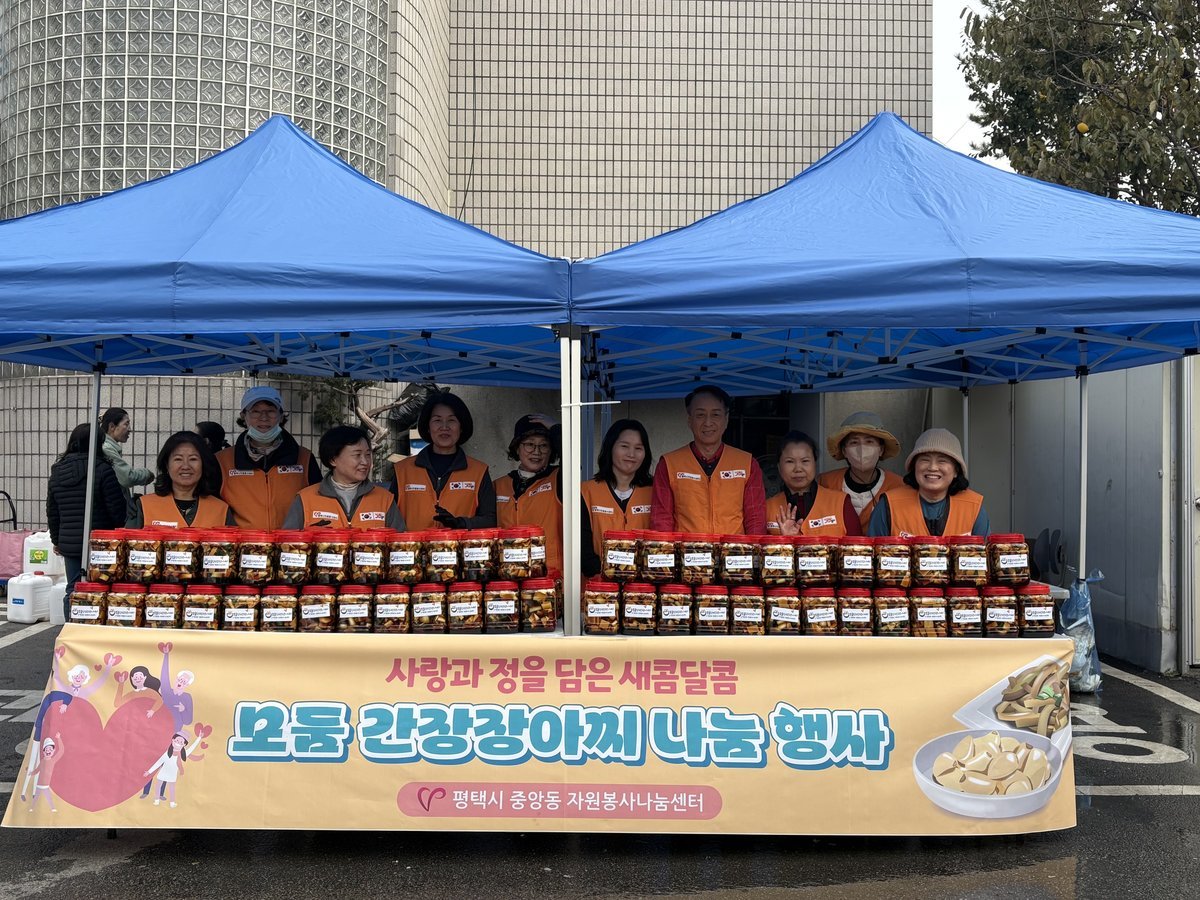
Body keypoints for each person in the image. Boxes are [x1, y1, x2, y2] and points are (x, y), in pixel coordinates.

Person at [650, 384, 767, 534]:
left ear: (726, 420)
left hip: (733, 548)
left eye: (716, 415)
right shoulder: (669, 464)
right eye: (700, 415)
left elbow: (756, 521)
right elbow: (661, 521)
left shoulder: (747, 464)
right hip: (686, 548)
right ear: (689, 420)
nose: (708, 422)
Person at [216, 386, 320, 529]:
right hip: (242, 542)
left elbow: (318, 504)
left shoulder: (305, 458)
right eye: (255, 411)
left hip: (292, 542)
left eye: (271, 411)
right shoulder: (222, 460)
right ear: (243, 416)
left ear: (281, 416)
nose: (264, 418)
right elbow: (214, 508)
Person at [390, 391, 496, 530]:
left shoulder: (478, 471)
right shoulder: (403, 470)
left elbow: (491, 519)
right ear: (428, 427)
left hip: (461, 544)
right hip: (413, 544)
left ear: (461, 427)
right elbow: (389, 519)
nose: (444, 427)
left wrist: (462, 523)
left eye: (451, 420)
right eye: (437, 420)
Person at [46, 423, 127, 599]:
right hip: (101, 542)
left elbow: (53, 512)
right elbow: (117, 511)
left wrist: (57, 540)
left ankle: (71, 618)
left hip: (70, 543)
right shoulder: (103, 469)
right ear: (98, 444)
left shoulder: (57, 471)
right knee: (101, 589)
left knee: (74, 589)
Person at [868, 428, 990, 537]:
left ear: (956, 471)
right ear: (914, 467)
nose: (932, 467)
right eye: (925, 460)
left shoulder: (973, 507)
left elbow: (986, 553)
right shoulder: (888, 505)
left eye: (942, 461)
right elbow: (872, 553)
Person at [283, 425, 405, 530]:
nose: (365, 462)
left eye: (368, 455)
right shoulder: (306, 499)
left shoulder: (385, 499)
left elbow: (401, 543)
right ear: (333, 460)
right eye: (357, 455)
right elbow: (288, 544)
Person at [581, 419, 654, 577]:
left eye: (638, 448)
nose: (631, 454)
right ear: (610, 447)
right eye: (624, 446)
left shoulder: (655, 492)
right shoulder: (586, 491)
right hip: (598, 584)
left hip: (642, 586)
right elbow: (582, 549)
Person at [494, 414, 564, 574]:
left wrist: (556, 429)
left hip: (549, 575)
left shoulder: (559, 478)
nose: (536, 452)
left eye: (544, 446)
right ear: (517, 448)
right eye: (529, 444)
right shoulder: (497, 485)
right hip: (508, 574)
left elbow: (572, 457)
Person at [126, 431, 233, 528]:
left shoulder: (221, 510)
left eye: (193, 459)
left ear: (203, 464)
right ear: (166, 465)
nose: (185, 466)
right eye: (178, 459)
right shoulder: (144, 506)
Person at [818, 411, 905, 529]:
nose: (862, 449)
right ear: (844, 451)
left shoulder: (898, 485)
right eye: (854, 442)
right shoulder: (826, 483)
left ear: (881, 450)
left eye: (869, 442)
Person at [766, 431, 861, 537]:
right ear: (779, 467)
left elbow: (858, 546)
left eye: (805, 461)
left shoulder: (840, 502)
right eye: (790, 461)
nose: (798, 469)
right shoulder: (767, 508)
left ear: (815, 464)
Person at [99, 407, 155, 501]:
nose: (130, 429)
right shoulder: (107, 448)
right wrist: (147, 474)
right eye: (126, 424)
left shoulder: (104, 446)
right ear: (112, 426)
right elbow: (127, 478)